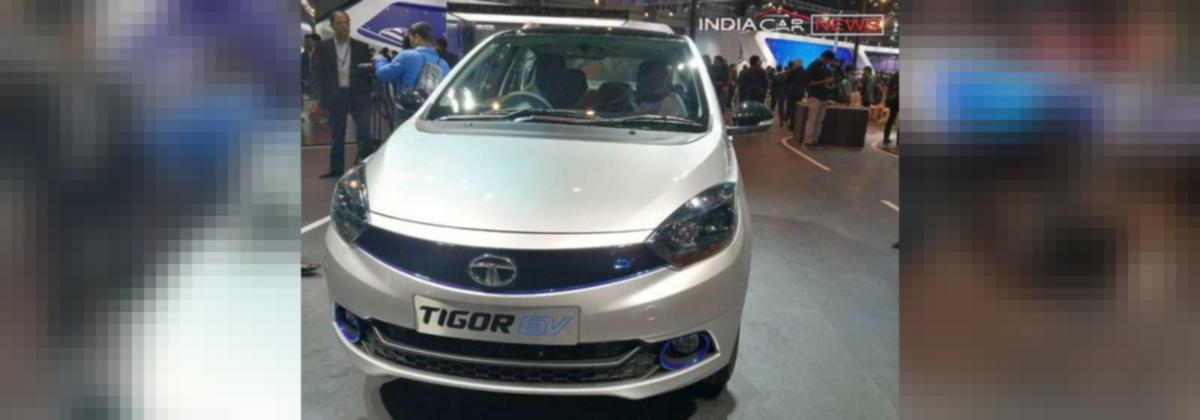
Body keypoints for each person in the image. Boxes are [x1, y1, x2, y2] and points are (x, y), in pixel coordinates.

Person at [312, 10, 374, 179]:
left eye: (347, 22)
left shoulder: (361, 46)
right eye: (339, 23)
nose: (344, 26)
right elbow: (317, 73)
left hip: (358, 97)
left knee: (364, 135)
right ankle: (336, 170)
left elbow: (368, 73)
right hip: (336, 96)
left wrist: (367, 94)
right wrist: (318, 96)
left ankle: (367, 169)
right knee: (337, 135)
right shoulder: (323, 47)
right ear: (332, 25)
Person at [374, 22, 450, 96]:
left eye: (410, 37)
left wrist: (381, 60)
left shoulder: (408, 55)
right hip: (431, 104)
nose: (409, 41)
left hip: (407, 103)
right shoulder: (444, 64)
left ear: (417, 37)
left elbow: (383, 75)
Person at [802, 51, 836, 148]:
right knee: (812, 119)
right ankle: (808, 141)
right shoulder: (813, 66)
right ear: (824, 57)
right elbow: (809, 83)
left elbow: (829, 81)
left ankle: (815, 140)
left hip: (824, 96)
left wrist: (831, 82)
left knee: (819, 120)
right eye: (829, 60)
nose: (829, 63)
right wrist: (825, 81)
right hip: (814, 96)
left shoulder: (825, 68)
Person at [784, 58, 807, 130]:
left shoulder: (795, 70)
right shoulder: (804, 71)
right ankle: (798, 125)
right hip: (801, 92)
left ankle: (792, 126)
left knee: (792, 109)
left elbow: (788, 80)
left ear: (798, 63)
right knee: (799, 109)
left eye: (795, 62)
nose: (794, 63)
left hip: (793, 92)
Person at [883, 73, 900, 145]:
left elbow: (889, 88)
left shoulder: (894, 75)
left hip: (894, 100)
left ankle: (886, 137)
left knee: (890, 119)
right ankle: (899, 140)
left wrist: (888, 99)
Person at [301, 34, 319, 99]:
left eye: (307, 41)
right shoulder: (301, 57)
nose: (304, 43)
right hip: (304, 90)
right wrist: (303, 80)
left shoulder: (321, 56)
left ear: (314, 42)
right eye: (304, 41)